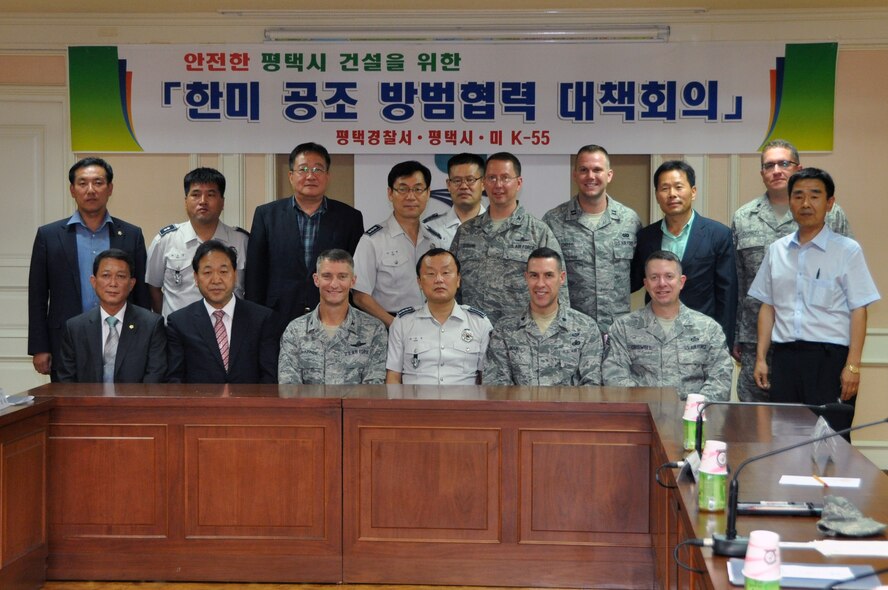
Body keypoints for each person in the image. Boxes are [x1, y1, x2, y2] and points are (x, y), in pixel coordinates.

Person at [750, 168, 879, 434]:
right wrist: (761, 357)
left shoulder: (847, 251)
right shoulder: (777, 250)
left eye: (815, 196)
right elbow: (767, 306)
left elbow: (859, 309)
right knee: (784, 439)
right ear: (789, 202)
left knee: (832, 443)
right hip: (785, 358)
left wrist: (853, 365)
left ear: (830, 203)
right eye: (798, 196)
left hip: (829, 360)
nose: (805, 204)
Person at [732, 140, 852, 402]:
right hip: (757, 341)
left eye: (784, 163)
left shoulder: (832, 214)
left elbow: (848, 282)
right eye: (769, 165)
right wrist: (737, 336)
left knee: (815, 425)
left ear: (799, 168)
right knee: (758, 424)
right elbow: (739, 282)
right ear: (762, 173)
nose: (777, 170)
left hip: (816, 344)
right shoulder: (744, 217)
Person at [28, 157, 149, 381]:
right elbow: (37, 294)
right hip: (65, 339)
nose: (90, 190)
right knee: (70, 408)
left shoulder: (131, 235)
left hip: (122, 337)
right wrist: (39, 347)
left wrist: (145, 341)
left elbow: (140, 292)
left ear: (110, 188)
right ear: (72, 190)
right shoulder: (49, 235)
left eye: (98, 183)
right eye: (83, 183)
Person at [246, 142, 364, 322]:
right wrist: (255, 319)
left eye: (318, 169)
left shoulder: (350, 218)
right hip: (277, 316)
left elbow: (356, 274)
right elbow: (255, 275)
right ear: (291, 176)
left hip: (333, 316)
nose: (310, 176)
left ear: (328, 176)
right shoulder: (266, 215)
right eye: (303, 169)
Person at [451, 152, 567, 324]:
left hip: (520, 337)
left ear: (518, 183)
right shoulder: (466, 232)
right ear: (483, 183)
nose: (498, 185)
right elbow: (452, 285)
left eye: (505, 178)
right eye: (491, 178)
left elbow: (559, 290)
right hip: (472, 335)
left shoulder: (538, 232)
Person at [632, 160, 737, 347]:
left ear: (693, 191)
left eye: (678, 187)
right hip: (655, 336)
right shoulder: (645, 237)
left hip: (702, 337)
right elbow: (633, 281)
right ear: (657, 195)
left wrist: (724, 342)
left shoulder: (718, 235)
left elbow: (727, 295)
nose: (672, 194)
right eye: (664, 188)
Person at [604, 250, 732, 401]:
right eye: (654, 277)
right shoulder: (623, 328)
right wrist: (647, 407)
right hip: (641, 415)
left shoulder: (708, 329)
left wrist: (691, 411)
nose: (662, 283)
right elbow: (614, 377)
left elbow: (720, 380)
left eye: (669, 276)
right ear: (646, 284)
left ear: (681, 281)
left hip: (692, 418)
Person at [543, 144, 642, 332]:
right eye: (583, 170)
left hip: (617, 331)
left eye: (597, 170)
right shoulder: (553, 220)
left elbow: (637, 274)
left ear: (609, 175)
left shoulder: (629, 220)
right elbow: (546, 276)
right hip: (569, 331)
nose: (590, 176)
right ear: (575, 175)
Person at [483, 247, 601, 386]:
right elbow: (497, 387)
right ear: (526, 278)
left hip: (568, 408)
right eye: (534, 275)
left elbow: (592, 386)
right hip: (519, 407)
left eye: (548, 275)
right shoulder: (504, 330)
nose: (540, 284)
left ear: (562, 278)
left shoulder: (586, 328)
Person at [167, 240, 280, 383]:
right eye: (207, 272)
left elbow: (269, 377)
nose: (216, 280)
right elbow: (175, 380)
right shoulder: (179, 323)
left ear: (235, 275)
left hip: (249, 403)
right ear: (196, 278)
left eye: (223, 272)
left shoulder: (262, 319)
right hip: (200, 403)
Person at [146, 167, 249, 318]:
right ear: (185, 201)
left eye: (211, 195)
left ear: (222, 202)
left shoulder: (242, 241)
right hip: (179, 335)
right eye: (195, 194)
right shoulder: (165, 240)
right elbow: (153, 287)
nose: (203, 201)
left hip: (229, 332)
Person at [353, 160, 445, 327]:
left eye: (418, 189)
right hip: (388, 327)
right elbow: (360, 295)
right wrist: (395, 325)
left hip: (431, 328)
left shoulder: (435, 240)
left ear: (428, 193)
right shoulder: (372, 240)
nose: (410, 196)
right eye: (403, 189)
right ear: (390, 193)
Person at [279, 249, 387, 384]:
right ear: (316, 280)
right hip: (308, 405)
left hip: (354, 406)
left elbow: (373, 389)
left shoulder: (374, 330)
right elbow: (289, 387)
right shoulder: (295, 331)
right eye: (327, 276)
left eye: (342, 276)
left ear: (353, 281)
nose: (334, 284)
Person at [57, 249, 166, 383]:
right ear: (93, 281)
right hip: (87, 403)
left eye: (121, 276)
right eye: (106, 275)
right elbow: (66, 380)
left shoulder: (151, 325)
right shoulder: (75, 328)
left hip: (136, 402)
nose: (113, 283)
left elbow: (155, 377)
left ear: (131, 284)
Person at [386, 248, 492, 385]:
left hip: (463, 405)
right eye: (430, 274)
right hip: (415, 405)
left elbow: (486, 379)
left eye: (446, 273)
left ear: (458, 279)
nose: (439, 279)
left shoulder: (479, 323)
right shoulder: (402, 323)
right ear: (419, 282)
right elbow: (393, 377)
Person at [422, 153, 487, 248]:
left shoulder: (499, 228)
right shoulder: (429, 228)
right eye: (457, 180)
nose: (464, 186)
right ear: (448, 185)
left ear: (483, 183)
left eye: (470, 180)